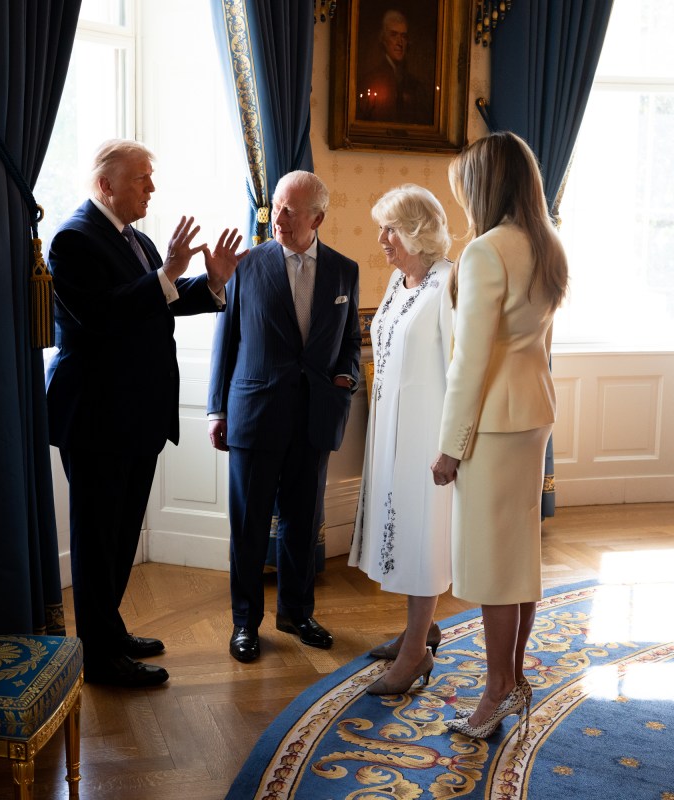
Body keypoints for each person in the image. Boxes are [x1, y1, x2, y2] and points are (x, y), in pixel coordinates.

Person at [46, 139, 246, 687]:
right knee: (97, 538)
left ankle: (108, 631)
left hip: (135, 413)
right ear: (107, 185)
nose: (151, 189)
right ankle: (98, 658)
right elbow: (101, 316)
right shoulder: (72, 239)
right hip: (96, 415)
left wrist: (211, 282)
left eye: (151, 179)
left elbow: (160, 298)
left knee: (121, 532)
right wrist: (167, 274)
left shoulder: (137, 239)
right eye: (141, 179)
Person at [431, 131, 568, 737]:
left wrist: (449, 446)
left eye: (466, 186)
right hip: (533, 411)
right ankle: (511, 679)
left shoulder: (486, 251)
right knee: (520, 554)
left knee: (491, 560)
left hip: (493, 420)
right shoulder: (548, 244)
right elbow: (540, 343)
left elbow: (470, 361)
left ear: (485, 185)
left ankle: (496, 692)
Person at [207, 170, 361, 664]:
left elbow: (350, 343)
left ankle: (297, 612)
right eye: (276, 206)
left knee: (301, 524)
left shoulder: (344, 270)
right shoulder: (247, 266)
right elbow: (225, 339)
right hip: (254, 414)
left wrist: (345, 381)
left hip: (314, 418)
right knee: (249, 527)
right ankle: (244, 623)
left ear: (318, 216)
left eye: (292, 210)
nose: (280, 217)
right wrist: (217, 408)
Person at [349, 184, 454, 695]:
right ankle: (421, 630)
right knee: (401, 533)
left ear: (417, 231)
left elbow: (461, 370)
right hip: (390, 427)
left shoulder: (447, 285)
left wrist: (451, 445)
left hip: (427, 436)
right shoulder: (399, 280)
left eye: (390, 228)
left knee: (421, 537)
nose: (382, 239)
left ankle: (415, 656)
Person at [355, 9, 431, 125]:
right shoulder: (369, 80)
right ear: (384, 39)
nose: (399, 42)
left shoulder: (416, 86)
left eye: (403, 36)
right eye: (394, 35)